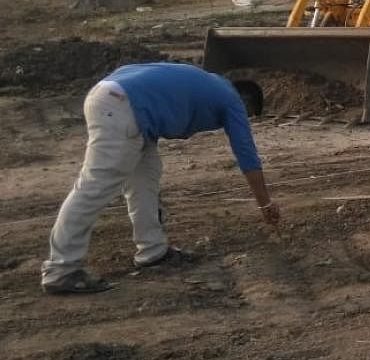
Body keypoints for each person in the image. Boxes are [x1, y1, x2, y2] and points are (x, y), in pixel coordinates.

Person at [41, 63, 280, 295]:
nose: (242, 119)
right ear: (246, 100)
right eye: (248, 116)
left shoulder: (209, 82)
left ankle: (152, 250)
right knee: (94, 187)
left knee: (145, 179)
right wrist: (265, 203)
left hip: (116, 99)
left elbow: (134, 74)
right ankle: (61, 269)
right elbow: (246, 153)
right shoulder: (232, 100)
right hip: (122, 108)